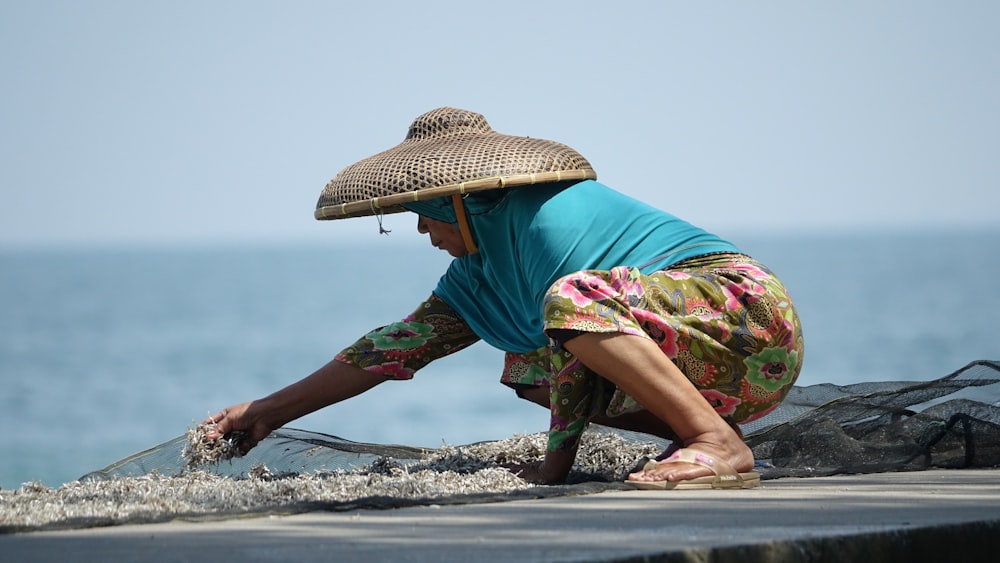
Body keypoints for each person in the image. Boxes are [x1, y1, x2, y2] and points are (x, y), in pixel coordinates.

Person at [207, 107, 804, 488]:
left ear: (457, 203)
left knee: (569, 305)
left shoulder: (545, 221)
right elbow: (389, 350)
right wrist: (264, 413)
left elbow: (577, 319)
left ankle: (713, 441)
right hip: (704, 360)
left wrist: (554, 467)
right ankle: (695, 431)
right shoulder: (478, 270)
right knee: (525, 369)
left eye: (425, 216)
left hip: (747, 318)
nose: (421, 231)